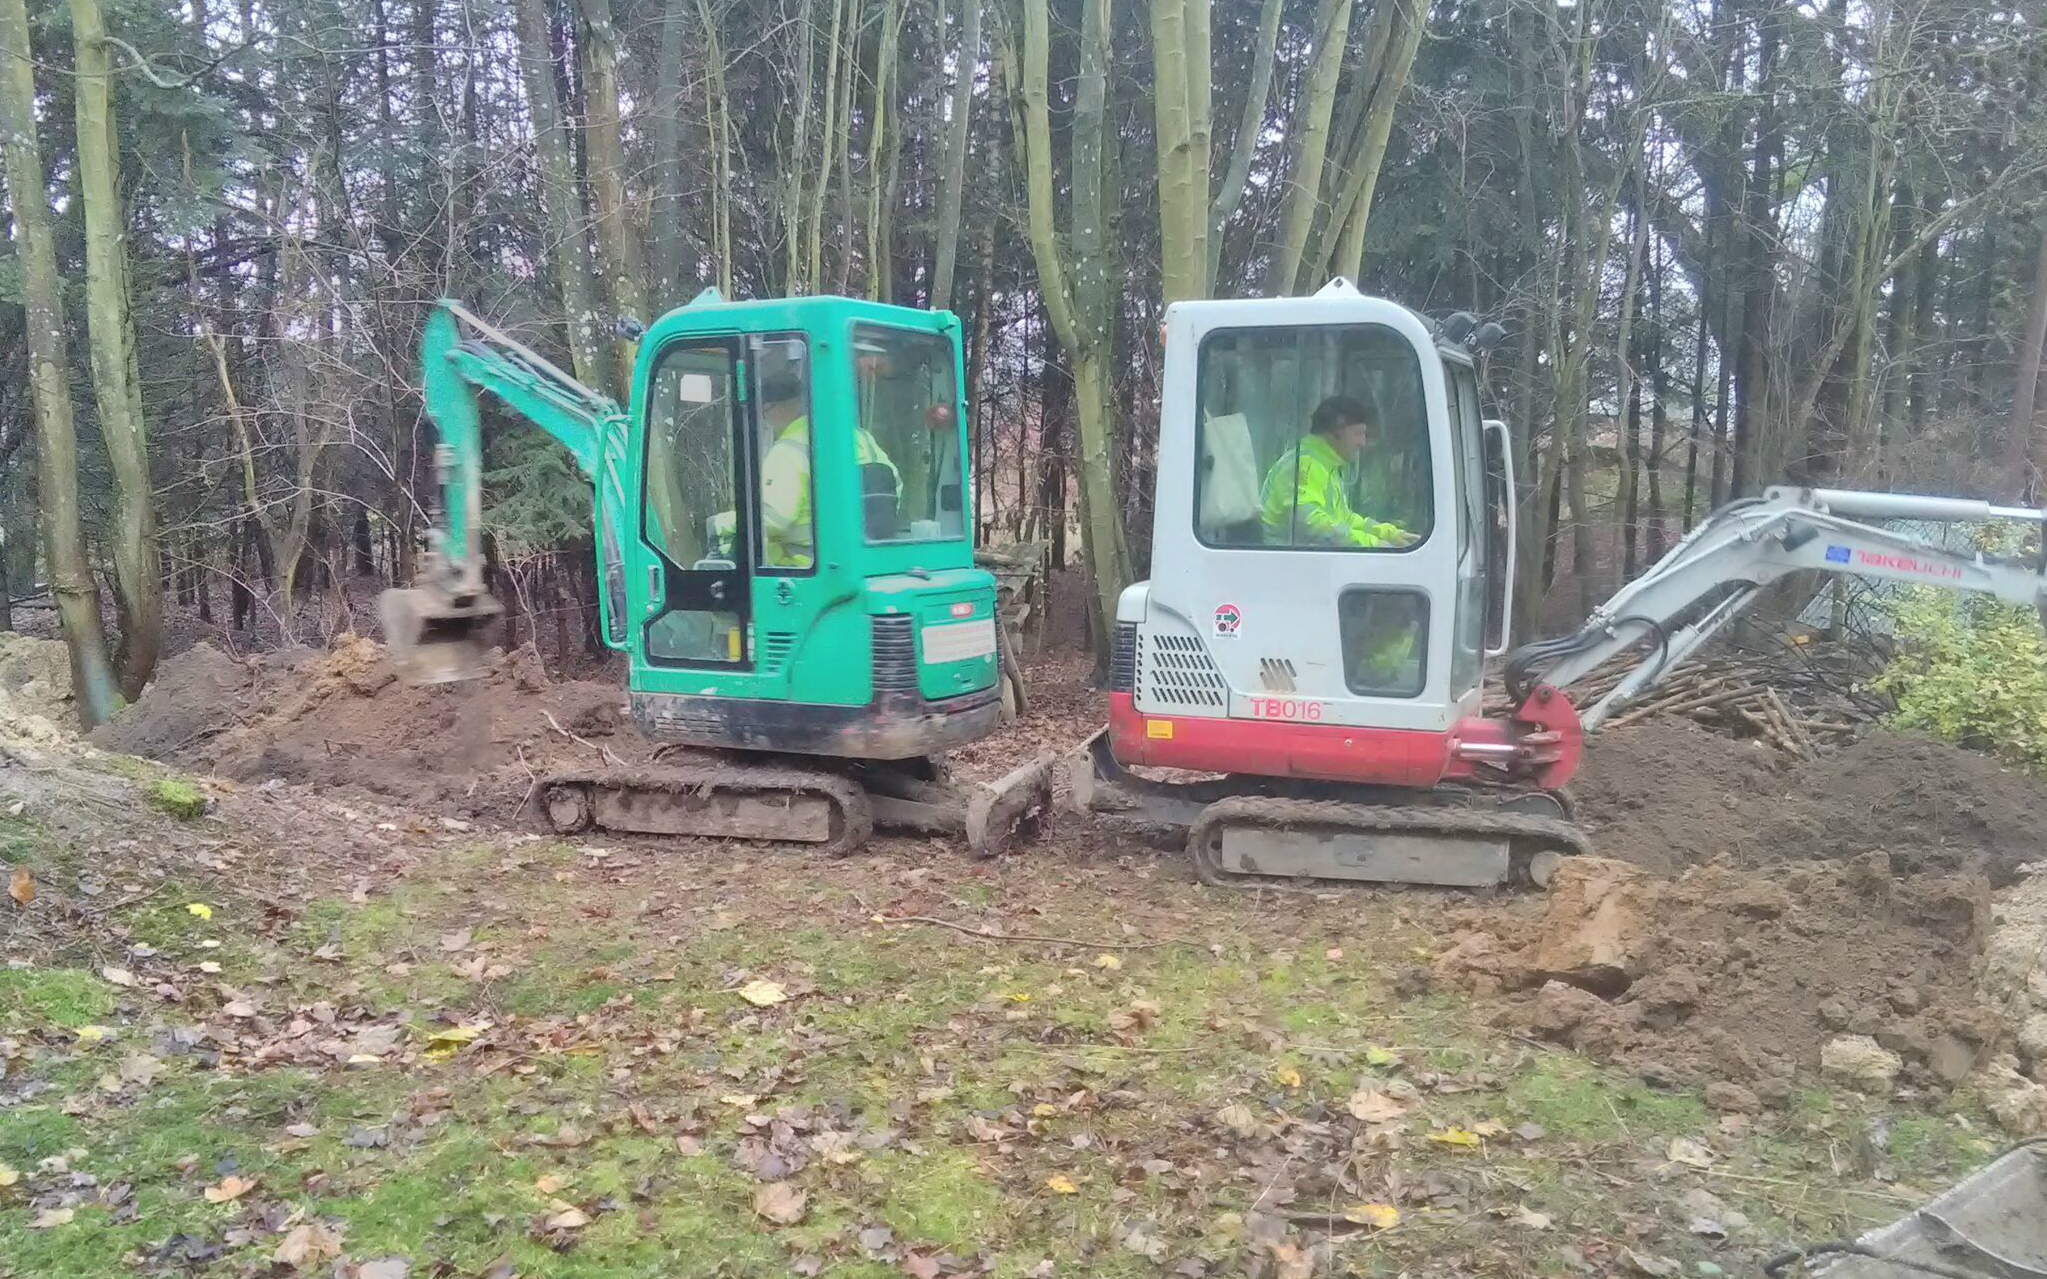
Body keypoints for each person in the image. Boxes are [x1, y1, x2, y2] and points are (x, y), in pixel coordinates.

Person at [755, 375, 900, 567]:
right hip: (872, 560)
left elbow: (774, 519)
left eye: (765, 413)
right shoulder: (861, 437)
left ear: (777, 408)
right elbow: (894, 485)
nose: (767, 421)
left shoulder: (787, 450)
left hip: (806, 568)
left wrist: (725, 524)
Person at [1260, 394, 1417, 549]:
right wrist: (1372, 544)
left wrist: (1388, 534)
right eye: (1358, 434)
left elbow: (1344, 520)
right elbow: (1309, 523)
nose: (1362, 443)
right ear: (1335, 431)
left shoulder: (1326, 466)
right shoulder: (1306, 465)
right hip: (1282, 560)